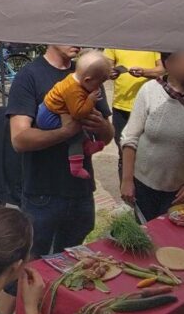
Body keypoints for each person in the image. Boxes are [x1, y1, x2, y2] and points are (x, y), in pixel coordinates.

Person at [8, 45, 113, 257]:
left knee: (71, 263)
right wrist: (66, 132)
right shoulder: (29, 76)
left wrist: (102, 127)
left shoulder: (91, 71)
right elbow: (19, 140)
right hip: (42, 194)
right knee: (33, 264)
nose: (76, 41)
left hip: (81, 191)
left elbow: (108, 135)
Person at [120, 52, 184, 220]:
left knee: (175, 235)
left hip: (183, 189)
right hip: (144, 184)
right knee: (146, 233)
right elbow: (130, 138)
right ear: (168, 63)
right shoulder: (149, 90)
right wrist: (126, 180)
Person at [35, 51, 112, 180]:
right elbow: (78, 113)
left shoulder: (77, 78)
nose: (98, 88)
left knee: (80, 126)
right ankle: (76, 167)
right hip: (48, 117)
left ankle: (86, 144)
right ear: (87, 80)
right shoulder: (74, 90)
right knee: (75, 133)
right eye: (98, 83)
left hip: (51, 111)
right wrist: (90, 100)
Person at [104, 49, 165, 175]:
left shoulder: (153, 39)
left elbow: (162, 70)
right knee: (123, 151)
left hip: (149, 107)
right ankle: (126, 191)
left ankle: (143, 190)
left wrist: (144, 72)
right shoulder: (115, 40)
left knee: (148, 153)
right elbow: (106, 67)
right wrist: (110, 72)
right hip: (121, 106)